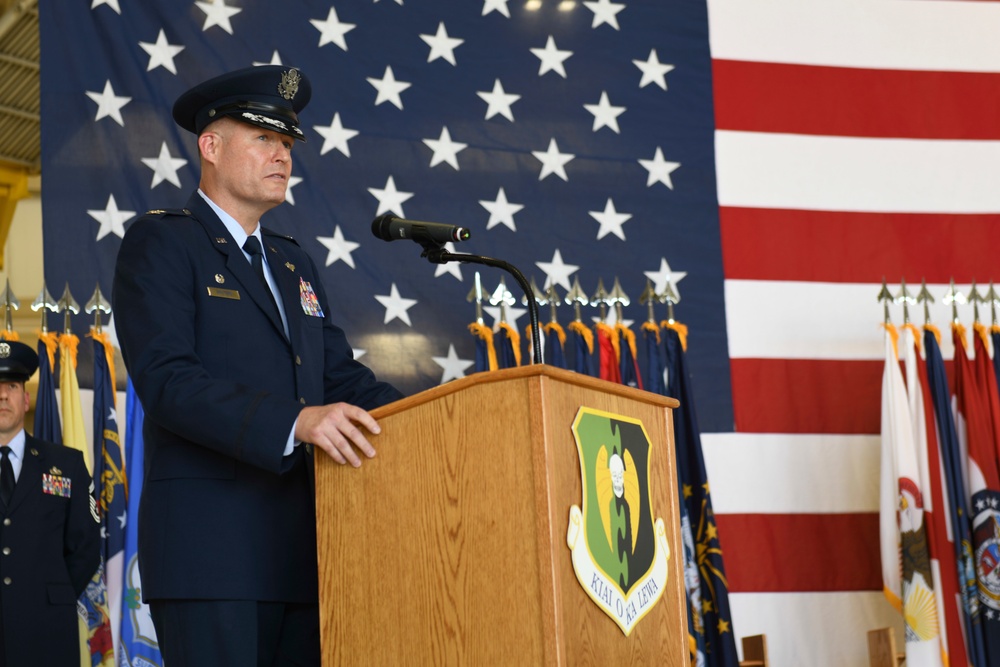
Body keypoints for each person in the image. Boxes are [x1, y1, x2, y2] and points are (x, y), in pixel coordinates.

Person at [112, 65, 404, 666]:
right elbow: (168, 382)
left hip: (305, 557)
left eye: (289, 142)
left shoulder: (293, 263)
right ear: (210, 147)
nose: (283, 155)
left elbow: (340, 379)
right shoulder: (163, 243)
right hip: (211, 559)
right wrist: (296, 422)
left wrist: (452, 411)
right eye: (264, 139)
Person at [0, 340, 100, 666]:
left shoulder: (66, 464)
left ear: (26, 399)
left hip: (45, 630)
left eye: (12, 386)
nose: (2, 395)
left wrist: (51, 595)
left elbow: (85, 546)